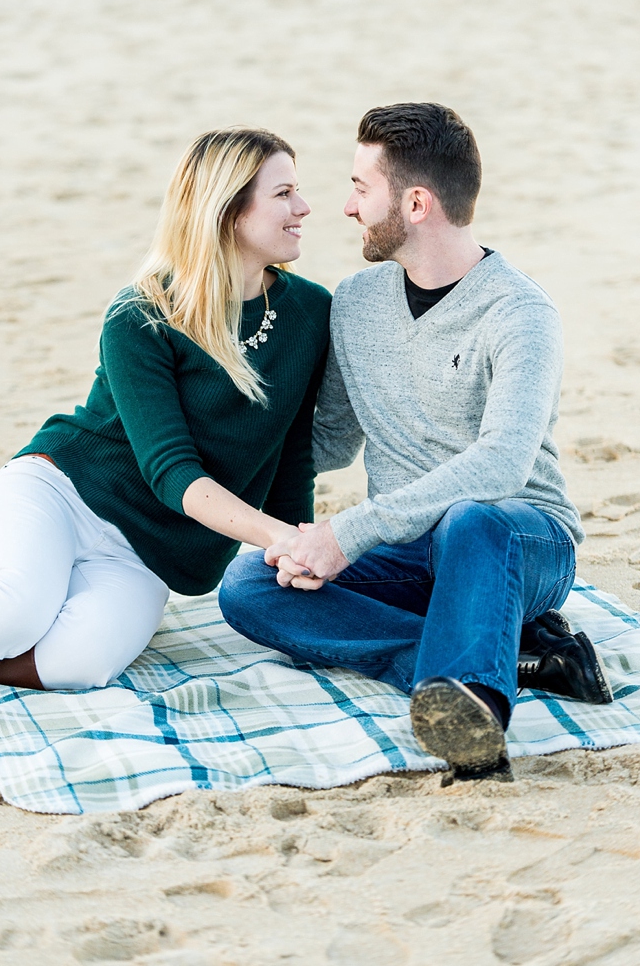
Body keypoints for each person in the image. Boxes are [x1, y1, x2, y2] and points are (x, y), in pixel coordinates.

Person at [218, 103, 586, 782]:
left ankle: (473, 731)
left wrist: (349, 530)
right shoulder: (355, 304)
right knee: (249, 582)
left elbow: (502, 463)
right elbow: (326, 442)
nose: (348, 207)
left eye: (362, 188)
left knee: (472, 519)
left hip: (520, 541)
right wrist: (216, 431)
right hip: (409, 554)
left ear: (415, 203)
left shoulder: (520, 313)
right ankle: (498, 664)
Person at [0, 129, 331, 691]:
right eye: (283, 194)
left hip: (147, 555)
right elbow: (170, 469)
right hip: (62, 496)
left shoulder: (310, 311)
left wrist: (295, 554)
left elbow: (292, 455)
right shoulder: (141, 313)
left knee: (81, 665)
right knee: (13, 612)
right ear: (227, 210)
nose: (303, 207)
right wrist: (277, 536)